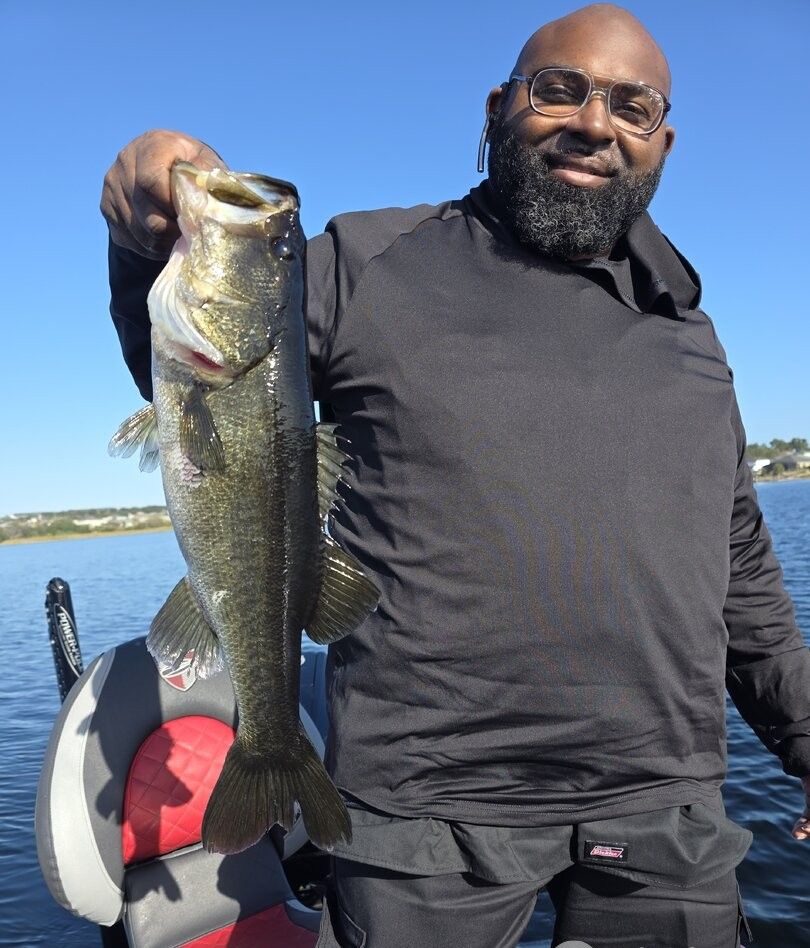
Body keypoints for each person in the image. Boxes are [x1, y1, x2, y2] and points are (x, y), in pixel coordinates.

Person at [101, 5, 810, 946]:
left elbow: (744, 579)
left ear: (662, 140)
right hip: (423, 816)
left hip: (664, 809)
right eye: (559, 90)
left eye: (631, 106)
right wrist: (140, 234)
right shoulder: (366, 263)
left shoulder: (688, 329)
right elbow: (215, 380)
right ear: (499, 106)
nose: (594, 124)